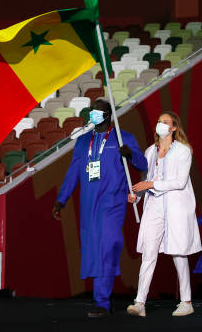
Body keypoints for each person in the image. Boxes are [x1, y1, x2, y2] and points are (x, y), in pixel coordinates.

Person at [52, 99, 147, 318]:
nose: (94, 114)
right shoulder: (84, 141)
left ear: (108, 115)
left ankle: (102, 301)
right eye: (92, 110)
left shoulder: (123, 138)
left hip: (112, 202)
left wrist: (130, 154)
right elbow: (73, 172)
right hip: (88, 204)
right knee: (94, 250)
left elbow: (143, 165)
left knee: (108, 245)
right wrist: (61, 200)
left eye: (99, 111)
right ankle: (102, 299)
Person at [127, 111, 202, 317]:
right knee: (148, 253)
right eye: (159, 121)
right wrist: (137, 195)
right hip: (153, 206)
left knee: (178, 252)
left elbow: (179, 182)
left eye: (165, 122)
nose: (160, 124)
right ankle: (139, 302)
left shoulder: (183, 151)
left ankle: (186, 301)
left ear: (174, 128)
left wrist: (150, 184)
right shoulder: (150, 151)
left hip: (176, 206)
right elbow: (146, 178)